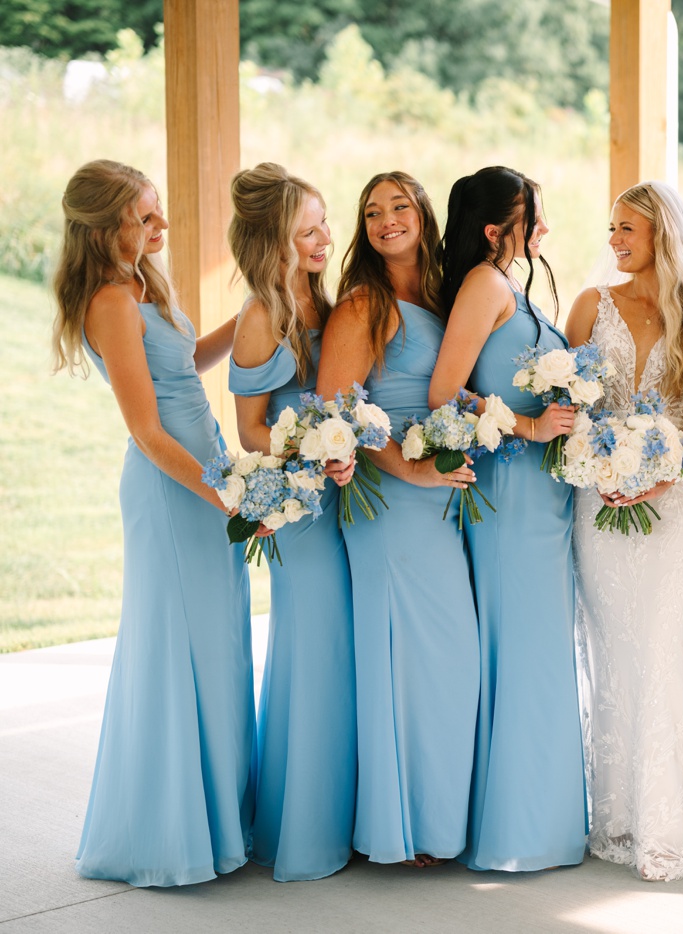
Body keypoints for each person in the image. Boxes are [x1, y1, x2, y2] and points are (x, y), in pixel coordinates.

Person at [56, 160, 254, 886]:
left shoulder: (144, 286)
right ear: (107, 226)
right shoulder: (110, 300)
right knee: (179, 650)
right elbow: (146, 429)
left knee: (218, 645)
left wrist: (252, 315)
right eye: (147, 217)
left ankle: (219, 819)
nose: (161, 228)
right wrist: (224, 496)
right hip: (175, 494)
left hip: (204, 483)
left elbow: (183, 368)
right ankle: (174, 835)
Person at [564, 181, 683, 881]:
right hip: (599, 497)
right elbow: (569, 402)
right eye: (612, 229)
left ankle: (666, 828)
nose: (614, 241)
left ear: (662, 232)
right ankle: (619, 817)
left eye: (627, 229)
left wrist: (663, 469)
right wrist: (601, 464)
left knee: (664, 646)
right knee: (614, 650)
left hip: (677, 498)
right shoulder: (589, 306)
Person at [317, 170, 479, 868]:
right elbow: (338, 412)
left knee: (450, 660)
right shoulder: (362, 304)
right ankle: (405, 828)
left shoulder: (445, 295)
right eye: (373, 211)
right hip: (388, 498)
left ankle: (435, 817)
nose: (387, 220)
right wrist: (411, 467)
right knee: (414, 659)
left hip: (442, 493)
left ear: (423, 214)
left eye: (400, 206)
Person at [431, 166, 586, 872]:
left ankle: (540, 823)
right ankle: (517, 834)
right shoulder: (484, 286)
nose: (544, 229)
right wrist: (526, 431)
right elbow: (444, 393)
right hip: (510, 496)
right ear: (496, 229)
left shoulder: (510, 285)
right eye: (533, 217)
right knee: (522, 653)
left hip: (544, 498)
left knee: (542, 652)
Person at [226, 162, 356, 882]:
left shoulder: (325, 302)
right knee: (314, 655)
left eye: (324, 222)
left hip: (347, 496)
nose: (323, 237)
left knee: (342, 654)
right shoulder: (261, 317)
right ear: (274, 242)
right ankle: (305, 832)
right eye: (307, 229)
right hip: (301, 510)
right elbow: (249, 429)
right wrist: (308, 457)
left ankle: (342, 814)